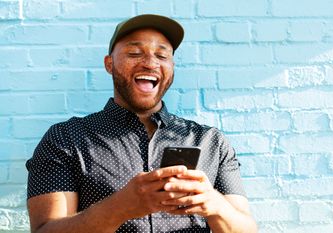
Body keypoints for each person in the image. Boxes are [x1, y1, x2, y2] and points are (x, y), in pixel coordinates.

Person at [26, 14, 257, 233]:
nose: (150, 63)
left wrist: (214, 203)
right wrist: (119, 208)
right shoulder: (65, 138)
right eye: (135, 53)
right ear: (109, 64)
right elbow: (45, 229)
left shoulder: (211, 142)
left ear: (172, 68)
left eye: (162, 55)